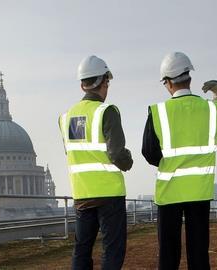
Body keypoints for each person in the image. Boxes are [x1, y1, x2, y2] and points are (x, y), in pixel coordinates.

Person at [142, 52, 217, 270]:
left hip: (169, 193)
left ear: (167, 82)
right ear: (189, 77)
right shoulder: (211, 109)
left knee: (168, 256)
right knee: (198, 254)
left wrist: (170, 162)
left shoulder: (158, 112)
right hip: (199, 192)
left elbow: (149, 153)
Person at [59, 55, 133, 270]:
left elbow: (74, 152)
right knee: (112, 249)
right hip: (109, 193)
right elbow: (117, 153)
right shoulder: (106, 111)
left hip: (82, 193)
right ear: (104, 82)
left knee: (82, 248)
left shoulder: (66, 117)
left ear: (82, 84)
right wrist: (128, 162)